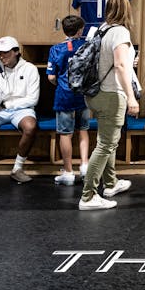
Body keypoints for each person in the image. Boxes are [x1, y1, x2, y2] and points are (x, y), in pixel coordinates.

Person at [78, 0, 139, 210]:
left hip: (94, 94)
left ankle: (110, 184)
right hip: (111, 94)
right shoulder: (121, 32)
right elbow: (121, 66)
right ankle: (88, 196)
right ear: (126, 10)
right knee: (105, 145)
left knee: (108, 142)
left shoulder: (101, 29)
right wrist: (131, 97)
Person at [47, 15, 91, 185]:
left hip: (64, 94)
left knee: (65, 133)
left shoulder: (56, 49)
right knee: (84, 129)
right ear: (80, 30)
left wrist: (61, 82)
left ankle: (68, 172)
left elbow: (51, 76)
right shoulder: (87, 46)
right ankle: (85, 166)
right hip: (84, 94)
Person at [0, 36, 40, 184]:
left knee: (30, 127)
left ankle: (17, 169)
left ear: (16, 52)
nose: (1, 56)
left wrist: (9, 105)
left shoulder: (30, 69)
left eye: (5, 53)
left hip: (22, 109)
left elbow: (33, 99)